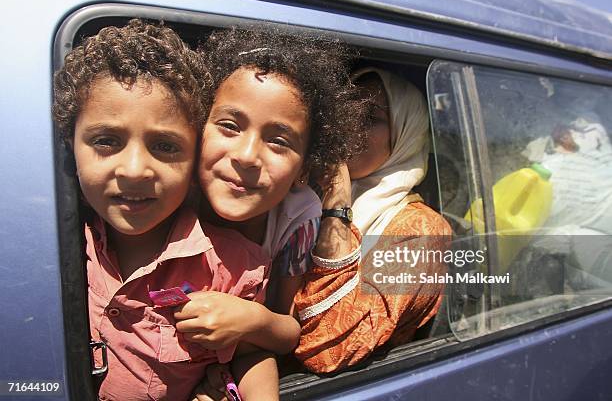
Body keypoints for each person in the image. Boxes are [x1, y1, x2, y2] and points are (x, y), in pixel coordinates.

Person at [53, 20, 278, 401]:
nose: (135, 169)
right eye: (106, 141)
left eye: (165, 147)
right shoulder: (52, 246)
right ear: (70, 147)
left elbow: (253, 353)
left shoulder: (233, 265)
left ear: (195, 161)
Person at [187, 28, 368, 399]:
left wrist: (252, 319)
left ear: (305, 167)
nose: (247, 155)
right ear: (196, 127)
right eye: (229, 126)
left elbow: (286, 330)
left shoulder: (297, 219)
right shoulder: (168, 199)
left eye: (278, 140)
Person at [294, 67, 453, 373]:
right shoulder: (301, 194)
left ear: (404, 136)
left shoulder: (422, 233)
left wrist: (338, 206)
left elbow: (329, 351)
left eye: (371, 118)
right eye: (347, 109)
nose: (350, 123)